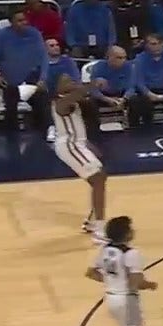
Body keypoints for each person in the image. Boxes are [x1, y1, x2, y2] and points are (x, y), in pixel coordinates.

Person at [51, 74, 108, 239]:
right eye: (67, 80)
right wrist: (93, 84)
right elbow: (79, 93)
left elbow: (74, 128)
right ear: (58, 86)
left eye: (72, 80)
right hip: (69, 146)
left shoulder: (73, 101)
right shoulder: (60, 103)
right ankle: (99, 230)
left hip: (78, 144)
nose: (71, 83)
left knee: (100, 177)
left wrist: (87, 144)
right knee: (97, 179)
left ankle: (92, 222)